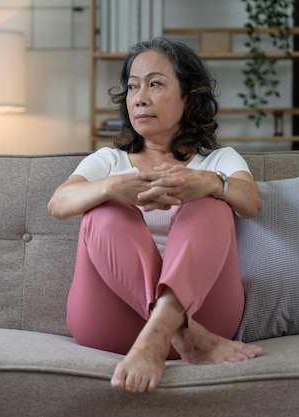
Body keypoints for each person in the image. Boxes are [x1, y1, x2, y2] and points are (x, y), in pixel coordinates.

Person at [47, 37, 263, 394]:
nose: (139, 97)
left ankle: (159, 334)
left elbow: (251, 201)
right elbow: (59, 203)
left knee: (210, 201)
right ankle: (183, 336)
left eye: (155, 84)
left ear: (189, 97)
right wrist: (112, 188)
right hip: (110, 320)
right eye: (133, 86)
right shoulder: (109, 161)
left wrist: (208, 183)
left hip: (206, 311)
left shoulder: (217, 160)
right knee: (104, 210)